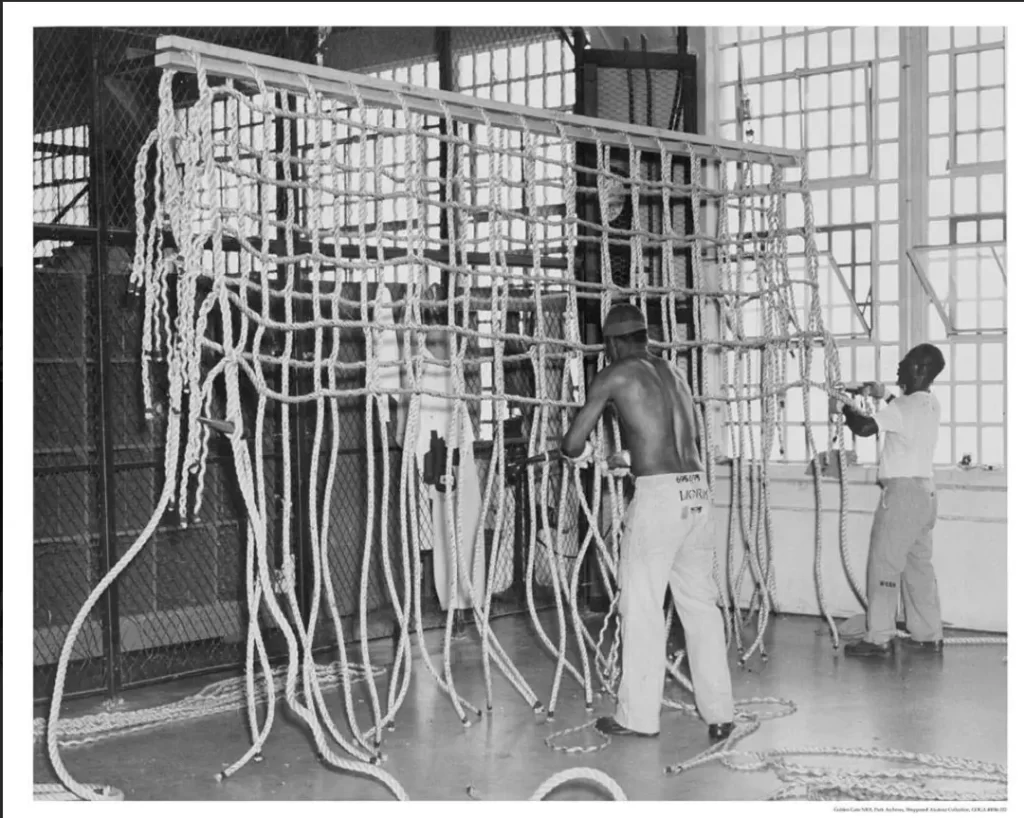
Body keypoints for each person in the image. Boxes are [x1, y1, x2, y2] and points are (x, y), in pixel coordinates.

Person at [560, 303, 735, 741]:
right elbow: (675, 441)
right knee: (700, 609)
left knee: (640, 609)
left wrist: (581, 453)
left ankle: (637, 717)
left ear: (613, 343)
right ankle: (720, 712)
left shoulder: (615, 373)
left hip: (659, 502)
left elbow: (571, 442)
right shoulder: (675, 375)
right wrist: (630, 458)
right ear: (646, 336)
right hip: (697, 493)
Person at [837, 343, 946, 658]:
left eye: (906, 362)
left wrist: (845, 407)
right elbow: (902, 410)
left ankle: (879, 639)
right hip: (926, 494)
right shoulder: (930, 404)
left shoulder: (902, 408)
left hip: (902, 496)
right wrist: (882, 394)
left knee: (884, 565)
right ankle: (928, 634)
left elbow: (866, 427)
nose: (899, 364)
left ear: (919, 369)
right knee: (918, 567)